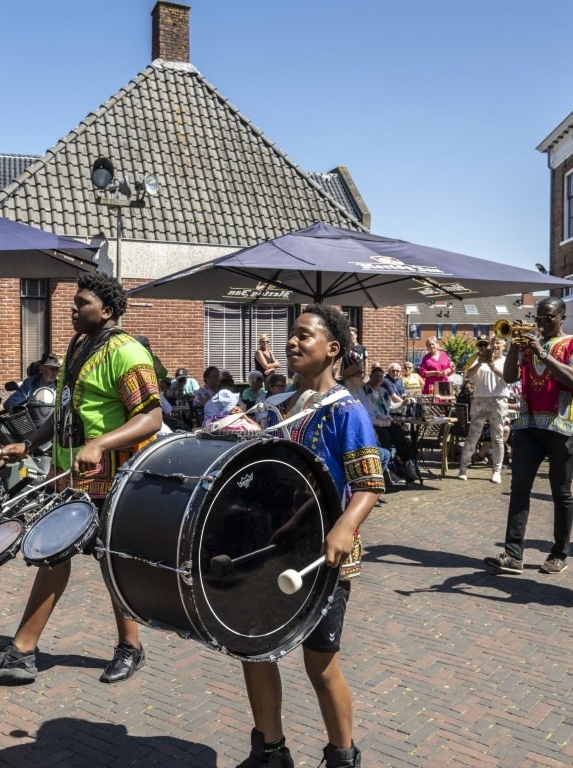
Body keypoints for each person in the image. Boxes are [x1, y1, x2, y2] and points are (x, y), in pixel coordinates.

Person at [0, 272, 161, 683]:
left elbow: (151, 417)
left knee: (112, 563)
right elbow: (64, 412)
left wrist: (100, 444)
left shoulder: (128, 351)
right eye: (75, 301)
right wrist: (29, 444)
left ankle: (130, 647)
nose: (73, 308)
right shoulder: (79, 345)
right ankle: (22, 650)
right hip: (68, 478)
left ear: (107, 310)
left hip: (112, 481)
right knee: (53, 555)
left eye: (82, 303)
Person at [235, 304, 382, 768]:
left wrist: (344, 526)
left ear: (332, 349)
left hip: (323, 558)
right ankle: (271, 750)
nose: (292, 342)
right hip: (276, 549)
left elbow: (369, 484)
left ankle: (342, 756)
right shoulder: (286, 405)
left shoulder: (347, 410)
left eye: (304, 335)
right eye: (291, 334)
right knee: (255, 647)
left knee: (319, 664)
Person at [485, 297, 573, 576]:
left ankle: (559, 554)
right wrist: (514, 346)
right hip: (528, 426)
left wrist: (542, 352)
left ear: (562, 317)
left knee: (561, 492)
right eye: (539, 317)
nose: (541, 322)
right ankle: (513, 554)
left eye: (548, 317)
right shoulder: (529, 344)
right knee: (519, 489)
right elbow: (510, 377)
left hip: (562, 427)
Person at [458, 336, 508, 484]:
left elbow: (508, 378)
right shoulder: (480, 359)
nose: (495, 345)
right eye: (493, 343)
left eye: (498, 343)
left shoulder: (506, 361)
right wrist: (480, 363)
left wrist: (493, 366)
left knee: (497, 437)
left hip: (498, 400)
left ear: (504, 346)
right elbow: (468, 375)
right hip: (480, 399)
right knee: (473, 436)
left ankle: (496, 471)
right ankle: (463, 468)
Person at [357, 366, 419, 482]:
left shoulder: (383, 391)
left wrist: (403, 403)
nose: (378, 379)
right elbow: (370, 409)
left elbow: (391, 406)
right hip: (373, 421)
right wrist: (380, 420)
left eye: (381, 376)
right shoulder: (364, 390)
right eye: (375, 376)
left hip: (385, 420)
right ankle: (387, 470)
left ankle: (406, 464)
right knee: (385, 435)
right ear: (370, 377)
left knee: (398, 431)